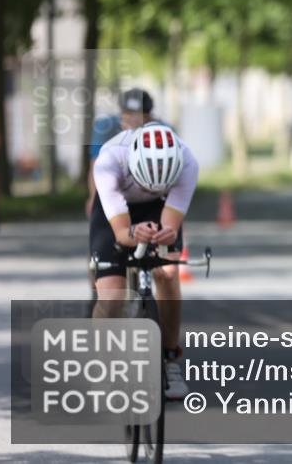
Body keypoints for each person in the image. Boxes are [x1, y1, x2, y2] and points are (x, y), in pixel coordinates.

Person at [91, 122, 199, 400]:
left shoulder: (187, 162)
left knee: (168, 272)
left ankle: (170, 357)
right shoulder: (109, 161)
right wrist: (131, 234)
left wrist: (166, 235)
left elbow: (171, 226)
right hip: (115, 211)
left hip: (160, 206)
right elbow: (120, 232)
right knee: (111, 294)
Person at [85, 88, 154, 218]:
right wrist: (94, 199)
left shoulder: (162, 130)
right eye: (127, 114)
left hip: (150, 193)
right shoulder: (105, 126)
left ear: (149, 117)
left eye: (138, 115)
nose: (131, 120)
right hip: (114, 189)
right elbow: (96, 165)